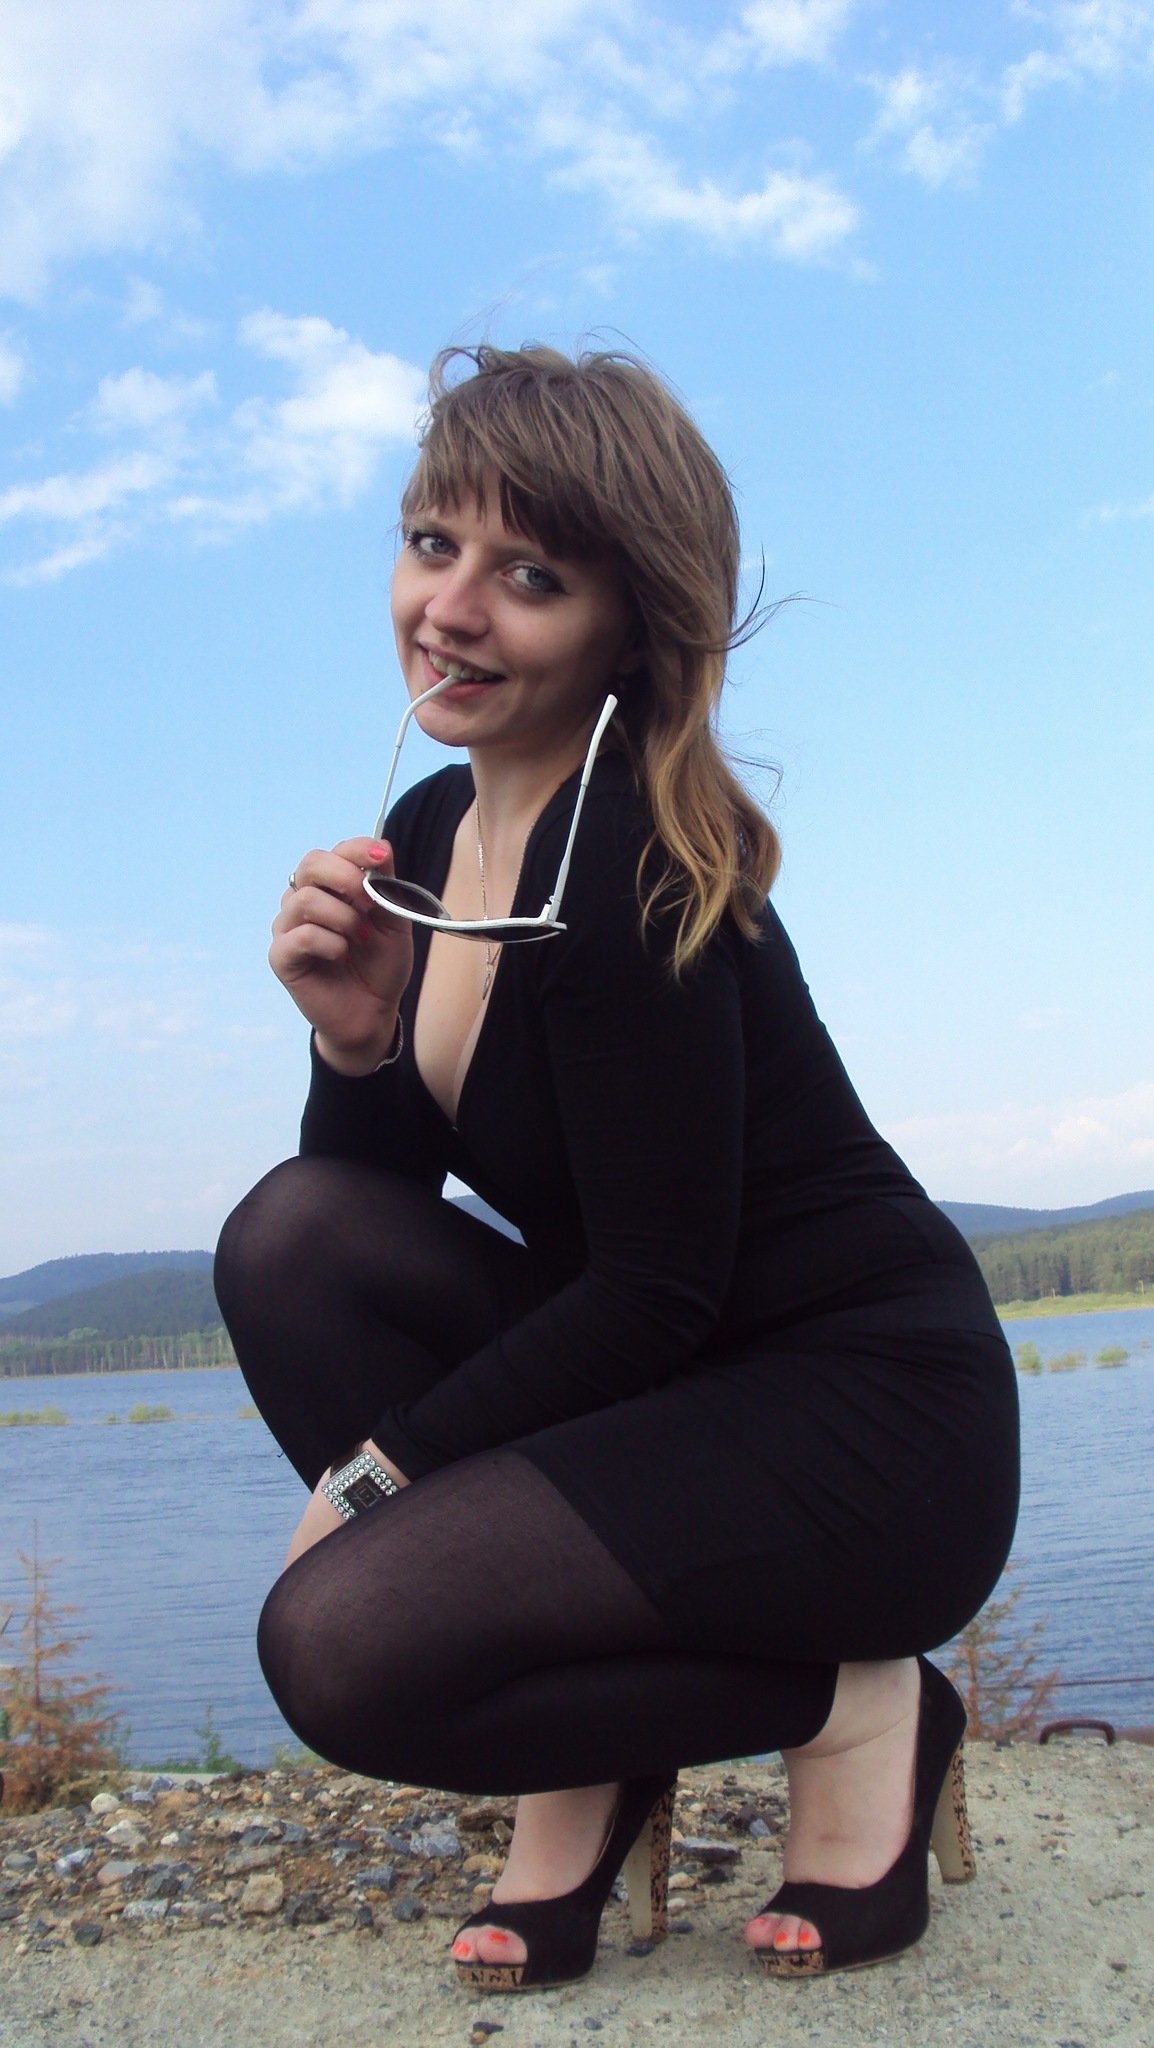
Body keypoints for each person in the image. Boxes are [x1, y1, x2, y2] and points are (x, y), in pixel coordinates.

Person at [214, 343, 1020, 1992]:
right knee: (295, 1240)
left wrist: (377, 1481)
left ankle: (861, 1706)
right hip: (673, 1378)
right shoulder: (427, 836)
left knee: (346, 1646)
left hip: (863, 1414)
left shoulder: (634, 866)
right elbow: (377, 1210)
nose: (449, 610)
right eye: (431, 543)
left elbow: (653, 1291)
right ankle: (599, 1755)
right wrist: (357, 1048)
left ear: (628, 628)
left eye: (530, 577)